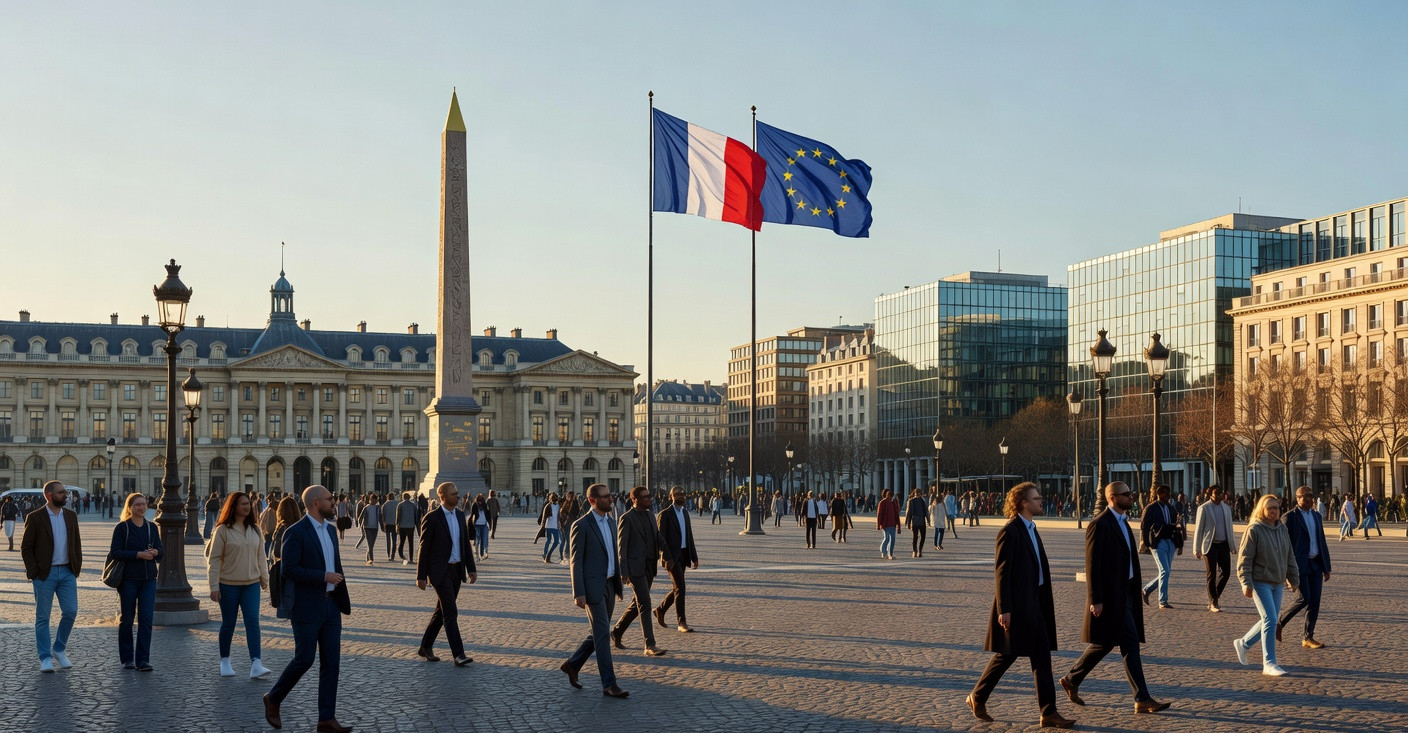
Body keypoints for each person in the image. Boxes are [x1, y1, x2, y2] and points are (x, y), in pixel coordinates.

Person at [967, 483, 1075, 729]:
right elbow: (1002, 574)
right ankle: (978, 696)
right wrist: (1005, 609)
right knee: (1008, 654)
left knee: (1041, 657)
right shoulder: (1011, 531)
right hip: (1018, 605)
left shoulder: (1031, 528)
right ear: (1023, 503)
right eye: (1036, 498)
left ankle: (1048, 712)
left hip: (1035, 602)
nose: (1041, 501)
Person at [1060, 481, 1171, 715]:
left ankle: (1072, 679)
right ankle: (1142, 698)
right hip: (1111, 596)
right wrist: (1095, 598)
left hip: (1127, 592)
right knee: (1129, 644)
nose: (1132, 497)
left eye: (1131, 493)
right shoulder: (1100, 525)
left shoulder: (1123, 522)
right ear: (1112, 498)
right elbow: (1092, 565)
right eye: (1126, 494)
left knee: (1107, 643)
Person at [264, 485, 352, 733]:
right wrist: (323, 576)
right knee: (304, 659)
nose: (334, 503)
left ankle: (326, 718)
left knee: (331, 663)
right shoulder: (296, 531)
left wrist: (338, 590)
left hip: (331, 605)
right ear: (315, 503)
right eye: (330, 499)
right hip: (306, 605)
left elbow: (336, 564)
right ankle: (274, 698)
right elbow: (288, 569)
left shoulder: (332, 531)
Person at [559, 483, 630, 699]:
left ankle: (573, 664)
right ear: (592, 500)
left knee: (599, 633)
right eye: (606, 496)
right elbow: (576, 561)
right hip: (592, 588)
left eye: (610, 495)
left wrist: (618, 582)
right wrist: (578, 592)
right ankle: (609, 684)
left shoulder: (611, 522)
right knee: (602, 636)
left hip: (609, 583)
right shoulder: (582, 525)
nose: (611, 499)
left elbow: (613, 554)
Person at [1232, 493, 1299, 677]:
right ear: (1262, 509)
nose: (1274, 511)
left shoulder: (1282, 529)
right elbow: (1244, 560)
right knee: (1270, 618)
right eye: (1270, 508)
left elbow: (1289, 555)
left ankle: (1243, 643)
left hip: (1277, 582)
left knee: (1269, 619)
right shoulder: (1254, 530)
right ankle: (1269, 663)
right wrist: (1245, 582)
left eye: (1276, 508)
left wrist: (1293, 579)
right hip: (1259, 582)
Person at [207, 491, 271, 679]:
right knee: (229, 624)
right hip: (228, 584)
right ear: (233, 506)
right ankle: (225, 660)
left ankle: (256, 663)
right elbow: (215, 559)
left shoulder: (255, 529)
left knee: (253, 622)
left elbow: (261, 556)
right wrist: (213, 586)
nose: (247, 506)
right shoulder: (223, 530)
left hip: (251, 583)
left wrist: (264, 578)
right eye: (243, 504)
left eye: (248, 503)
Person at [20, 481, 82, 673]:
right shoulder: (35, 517)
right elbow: (26, 547)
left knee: (71, 611)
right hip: (44, 574)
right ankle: (45, 657)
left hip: (67, 572)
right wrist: (34, 572)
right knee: (42, 618)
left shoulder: (71, 516)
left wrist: (76, 567)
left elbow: (76, 544)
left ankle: (59, 649)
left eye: (65, 492)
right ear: (49, 495)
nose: (66, 495)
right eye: (61, 492)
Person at [415, 482, 477, 667]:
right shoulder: (432, 517)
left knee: (441, 611)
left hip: (456, 570)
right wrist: (420, 576)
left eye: (457, 493)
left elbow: (465, 543)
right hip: (439, 571)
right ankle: (458, 654)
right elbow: (423, 548)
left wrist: (471, 568)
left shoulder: (459, 515)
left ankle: (425, 646)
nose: (457, 497)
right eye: (453, 494)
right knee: (450, 611)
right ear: (442, 496)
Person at [611, 486, 667, 656]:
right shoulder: (626, 518)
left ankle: (617, 631)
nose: (649, 499)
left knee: (638, 603)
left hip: (650, 565)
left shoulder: (650, 514)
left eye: (649, 496)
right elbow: (622, 546)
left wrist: (669, 555)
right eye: (645, 497)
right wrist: (623, 570)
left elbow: (657, 537)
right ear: (634, 499)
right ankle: (649, 644)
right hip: (635, 567)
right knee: (645, 603)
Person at [111, 493, 163, 671]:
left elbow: (161, 551)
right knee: (127, 619)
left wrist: (155, 552)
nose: (142, 507)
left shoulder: (152, 527)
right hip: (128, 579)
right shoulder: (122, 528)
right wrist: (137, 554)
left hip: (149, 579)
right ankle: (127, 659)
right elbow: (115, 552)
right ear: (130, 507)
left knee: (146, 619)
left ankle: (143, 660)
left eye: (143, 504)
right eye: (137, 505)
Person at [1276, 486, 1331, 650]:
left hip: (1315, 564)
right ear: (1297, 498)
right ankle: (1280, 622)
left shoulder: (1316, 516)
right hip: (1298, 566)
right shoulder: (1289, 518)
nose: (1308, 499)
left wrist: (1326, 567)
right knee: (1304, 598)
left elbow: (1322, 541)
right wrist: (1286, 573)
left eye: (1310, 496)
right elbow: (1284, 547)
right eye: (1304, 496)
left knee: (1315, 602)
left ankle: (1308, 637)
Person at [655, 486, 699, 633]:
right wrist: (666, 558)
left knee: (678, 587)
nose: (680, 496)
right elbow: (660, 539)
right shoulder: (665, 514)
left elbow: (689, 535)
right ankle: (681, 622)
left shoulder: (685, 513)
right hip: (672, 557)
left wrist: (694, 557)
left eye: (682, 494)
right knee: (681, 587)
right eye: (677, 494)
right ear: (671, 497)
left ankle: (660, 610)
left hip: (684, 554)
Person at [1193, 485, 1235, 612]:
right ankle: (1213, 602)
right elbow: (1199, 529)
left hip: (1223, 544)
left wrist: (1232, 546)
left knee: (1226, 572)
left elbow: (1230, 528)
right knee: (1211, 574)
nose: (1218, 496)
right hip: (1210, 545)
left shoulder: (1226, 508)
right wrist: (1196, 549)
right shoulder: (1204, 508)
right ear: (1210, 494)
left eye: (1220, 493)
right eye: (1215, 493)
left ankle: (1214, 596)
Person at [1140, 485, 1181, 609]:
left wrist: (1178, 543)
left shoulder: (1171, 508)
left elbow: (1175, 525)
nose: (1167, 496)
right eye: (1164, 494)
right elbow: (1144, 526)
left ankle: (1146, 589)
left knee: (1165, 573)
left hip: (1170, 542)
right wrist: (1147, 543)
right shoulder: (1151, 509)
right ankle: (1163, 600)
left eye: (1168, 494)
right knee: (1165, 571)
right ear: (1158, 494)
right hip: (1158, 543)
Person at [396, 491, 419, 564]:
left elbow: (398, 516)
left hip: (402, 526)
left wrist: (397, 525)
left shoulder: (400, 505)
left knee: (402, 542)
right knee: (410, 542)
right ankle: (411, 558)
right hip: (411, 526)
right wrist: (416, 525)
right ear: (409, 497)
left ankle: (402, 555)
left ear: (403, 497)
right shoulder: (413, 505)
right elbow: (416, 516)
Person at [904, 489, 929, 558]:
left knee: (915, 537)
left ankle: (915, 551)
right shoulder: (922, 500)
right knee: (922, 537)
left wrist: (908, 522)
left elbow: (909, 513)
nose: (918, 494)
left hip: (915, 521)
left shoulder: (911, 501)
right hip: (921, 521)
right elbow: (926, 511)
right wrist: (928, 520)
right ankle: (919, 551)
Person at [540, 493, 563, 563]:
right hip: (549, 526)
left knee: (556, 542)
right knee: (549, 540)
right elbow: (544, 516)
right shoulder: (548, 506)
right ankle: (545, 554)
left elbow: (560, 516)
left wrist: (561, 524)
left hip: (556, 526)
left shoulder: (558, 506)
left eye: (556, 498)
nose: (555, 499)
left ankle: (548, 555)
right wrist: (543, 525)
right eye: (553, 498)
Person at [358, 496, 380, 565]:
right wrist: (361, 526)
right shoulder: (366, 507)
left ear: (376, 501)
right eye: (371, 500)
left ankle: (368, 557)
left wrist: (382, 526)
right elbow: (360, 517)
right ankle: (371, 559)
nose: (373, 501)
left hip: (375, 528)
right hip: (367, 527)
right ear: (370, 500)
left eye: (374, 500)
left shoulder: (378, 508)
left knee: (371, 544)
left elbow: (381, 518)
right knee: (370, 544)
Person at [469, 494, 490, 559]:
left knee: (484, 540)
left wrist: (490, 524)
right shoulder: (475, 505)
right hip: (477, 525)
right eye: (478, 500)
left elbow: (488, 515)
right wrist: (470, 524)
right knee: (477, 541)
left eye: (481, 500)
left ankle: (483, 553)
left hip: (484, 525)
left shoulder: (485, 505)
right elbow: (472, 514)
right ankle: (477, 555)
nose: (480, 501)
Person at [380, 493, 399, 561]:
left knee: (388, 540)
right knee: (394, 540)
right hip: (394, 524)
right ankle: (392, 555)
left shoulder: (385, 504)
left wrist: (383, 523)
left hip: (387, 524)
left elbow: (382, 514)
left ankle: (388, 554)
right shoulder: (397, 503)